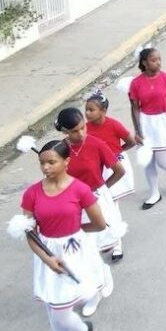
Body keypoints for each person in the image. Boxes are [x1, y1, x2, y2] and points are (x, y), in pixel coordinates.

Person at [17, 140, 110, 331]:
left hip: (75, 251)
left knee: (60, 313)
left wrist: (75, 231)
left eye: (51, 162)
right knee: (55, 311)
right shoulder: (31, 194)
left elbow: (100, 224)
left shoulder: (80, 189)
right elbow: (30, 233)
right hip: (47, 252)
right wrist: (47, 259)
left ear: (66, 161)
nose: (45, 167)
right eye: (42, 163)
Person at [54, 107, 126, 261]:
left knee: (104, 242)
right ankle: (100, 282)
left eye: (83, 127)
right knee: (86, 248)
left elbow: (119, 171)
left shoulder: (96, 143)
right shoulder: (59, 151)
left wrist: (102, 188)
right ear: (65, 131)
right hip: (73, 203)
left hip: (96, 198)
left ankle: (111, 259)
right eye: (74, 131)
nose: (81, 134)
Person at [128, 47, 166, 210]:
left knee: (161, 159)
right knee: (148, 161)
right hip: (146, 122)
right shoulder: (136, 83)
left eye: (159, 59)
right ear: (144, 63)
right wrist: (138, 130)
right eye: (153, 60)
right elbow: (135, 108)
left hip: (162, 122)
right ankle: (154, 193)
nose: (158, 62)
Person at [85, 93, 137, 221]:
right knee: (103, 201)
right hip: (97, 167)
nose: (87, 113)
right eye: (86, 110)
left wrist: (117, 152)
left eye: (91, 110)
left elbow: (131, 141)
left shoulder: (114, 125)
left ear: (103, 110)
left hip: (113, 166)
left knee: (111, 199)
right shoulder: (85, 129)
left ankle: (115, 227)